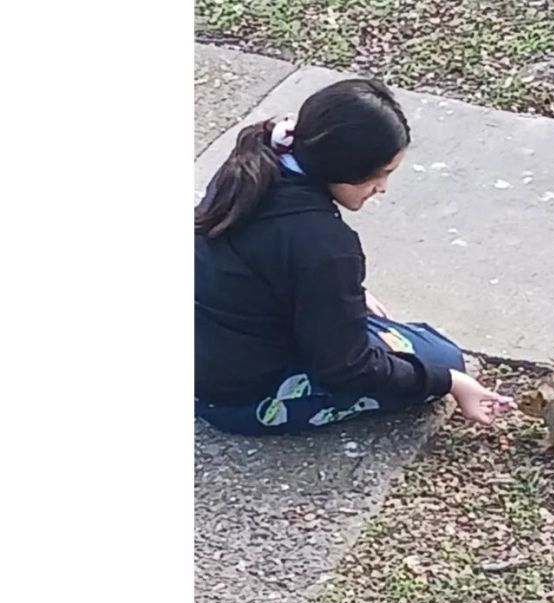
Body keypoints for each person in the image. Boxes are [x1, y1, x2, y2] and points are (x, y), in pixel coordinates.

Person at [194, 78, 514, 435]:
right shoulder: (325, 245)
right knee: (440, 357)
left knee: (398, 341)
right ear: (345, 166)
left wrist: (342, 295)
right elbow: (347, 367)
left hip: (211, 348)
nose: (382, 189)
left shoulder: (255, 163)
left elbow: (261, 257)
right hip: (239, 399)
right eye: (381, 174)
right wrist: (448, 382)